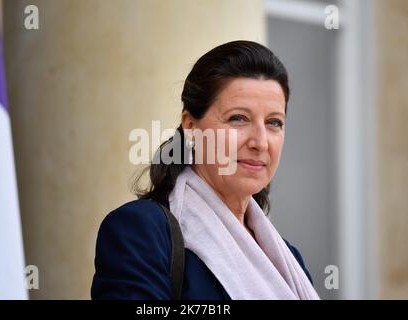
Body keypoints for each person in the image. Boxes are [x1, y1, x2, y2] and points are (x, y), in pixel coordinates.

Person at [91, 40, 320, 300]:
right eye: (238, 118)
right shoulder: (141, 232)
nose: (260, 142)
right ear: (190, 126)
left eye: (274, 122)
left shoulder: (288, 261)